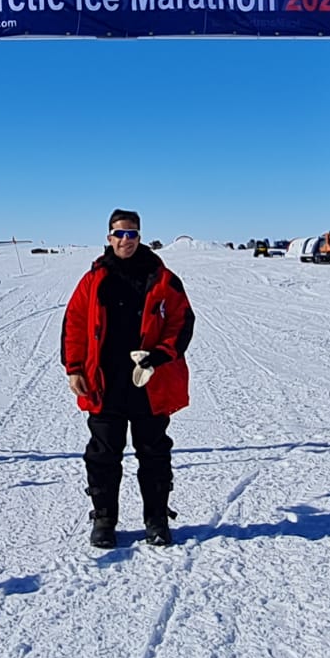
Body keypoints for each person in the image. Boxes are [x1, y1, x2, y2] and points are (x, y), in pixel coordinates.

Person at [61, 209, 195, 549]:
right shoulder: (94, 279)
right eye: (119, 234)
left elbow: (182, 322)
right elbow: (74, 324)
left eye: (132, 234)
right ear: (109, 238)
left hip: (148, 381)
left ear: (140, 236)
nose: (126, 240)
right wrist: (74, 368)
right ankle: (104, 519)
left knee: (153, 451)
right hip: (105, 382)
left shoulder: (162, 277)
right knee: (104, 453)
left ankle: (157, 520)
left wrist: (160, 355)